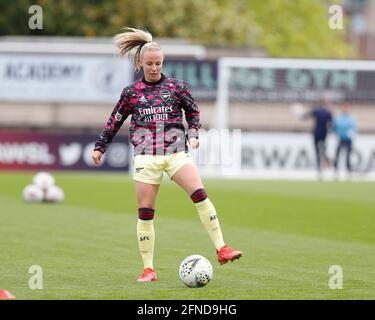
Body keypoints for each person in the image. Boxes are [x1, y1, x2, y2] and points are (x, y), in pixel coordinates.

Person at [91, 28, 242, 283]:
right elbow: (115, 119)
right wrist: (100, 146)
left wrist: (193, 133)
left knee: (200, 194)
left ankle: (222, 249)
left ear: (163, 63)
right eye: (149, 63)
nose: (154, 67)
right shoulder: (131, 92)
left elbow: (193, 112)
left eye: (158, 63)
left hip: (175, 153)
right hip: (146, 156)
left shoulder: (176, 87)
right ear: (140, 63)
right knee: (146, 212)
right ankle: (148, 269)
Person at [303, 98, 333, 175]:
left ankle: (319, 168)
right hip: (324, 133)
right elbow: (330, 125)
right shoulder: (328, 112)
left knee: (317, 151)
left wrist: (302, 116)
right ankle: (325, 163)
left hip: (316, 133)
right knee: (323, 150)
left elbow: (306, 116)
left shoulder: (316, 110)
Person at [333, 104, 357, 175]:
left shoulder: (351, 118)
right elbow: (335, 126)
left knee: (348, 154)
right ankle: (336, 168)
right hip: (340, 138)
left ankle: (348, 169)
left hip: (348, 139)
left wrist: (351, 134)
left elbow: (353, 128)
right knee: (338, 153)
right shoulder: (338, 118)